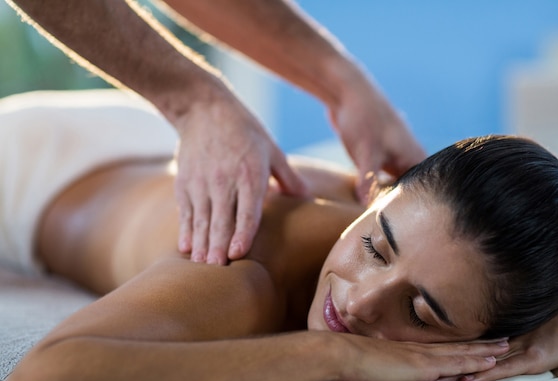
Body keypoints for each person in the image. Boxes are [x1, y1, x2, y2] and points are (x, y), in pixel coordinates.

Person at [0, 90, 558, 381]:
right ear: (380, 190)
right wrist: (330, 354)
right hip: (26, 164)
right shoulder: (238, 278)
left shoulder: (483, 261)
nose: (357, 302)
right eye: (375, 247)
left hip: (139, 157)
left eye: (422, 316)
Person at [6, 0, 427, 267]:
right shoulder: (244, 267)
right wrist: (194, 100)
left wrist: (344, 85)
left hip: (114, 137)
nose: (359, 306)